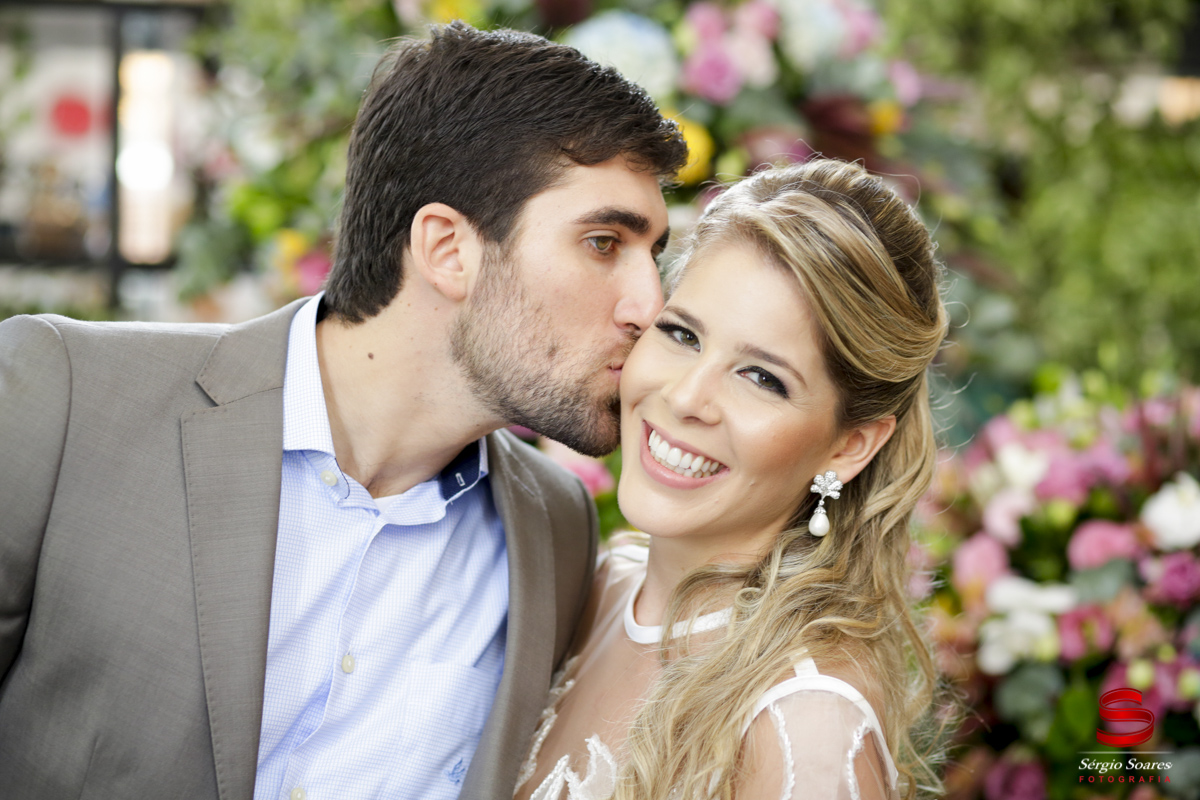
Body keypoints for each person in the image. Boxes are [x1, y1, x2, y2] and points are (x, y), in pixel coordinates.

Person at [0, 22, 687, 800]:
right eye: (603, 243)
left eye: (654, 253)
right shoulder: (63, 398)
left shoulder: (555, 526)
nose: (650, 305)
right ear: (447, 249)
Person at [514, 159, 949, 800]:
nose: (688, 396)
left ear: (849, 446)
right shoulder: (599, 586)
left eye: (761, 378)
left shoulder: (804, 722)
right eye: (682, 334)